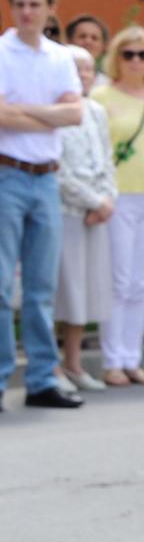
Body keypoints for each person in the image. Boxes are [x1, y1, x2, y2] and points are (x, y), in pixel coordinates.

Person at [0, 0, 86, 413]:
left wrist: (25, 111)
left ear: (48, 9)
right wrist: (50, 113)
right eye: (20, 3)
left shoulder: (60, 57)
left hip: (46, 176)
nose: (26, 11)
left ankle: (43, 378)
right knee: (0, 285)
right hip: (5, 173)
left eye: (35, 4)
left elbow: (76, 114)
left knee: (41, 286)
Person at [54, 44, 117, 393]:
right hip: (67, 210)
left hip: (96, 213)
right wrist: (93, 200)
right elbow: (59, 171)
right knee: (65, 290)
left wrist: (106, 200)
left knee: (86, 291)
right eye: (75, 70)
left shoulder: (95, 111)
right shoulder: (58, 112)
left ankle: (74, 363)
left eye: (88, 70)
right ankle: (55, 364)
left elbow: (107, 159)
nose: (83, 77)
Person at [94, 26, 144, 386]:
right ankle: (112, 358)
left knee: (140, 283)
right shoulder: (101, 97)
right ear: (116, 57)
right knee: (118, 279)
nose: (136, 62)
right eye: (129, 54)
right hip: (118, 196)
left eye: (143, 55)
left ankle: (131, 356)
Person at [66, 14, 111, 88]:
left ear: (104, 46)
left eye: (94, 38)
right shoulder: (58, 75)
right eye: (82, 36)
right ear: (69, 41)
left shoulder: (107, 84)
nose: (88, 41)